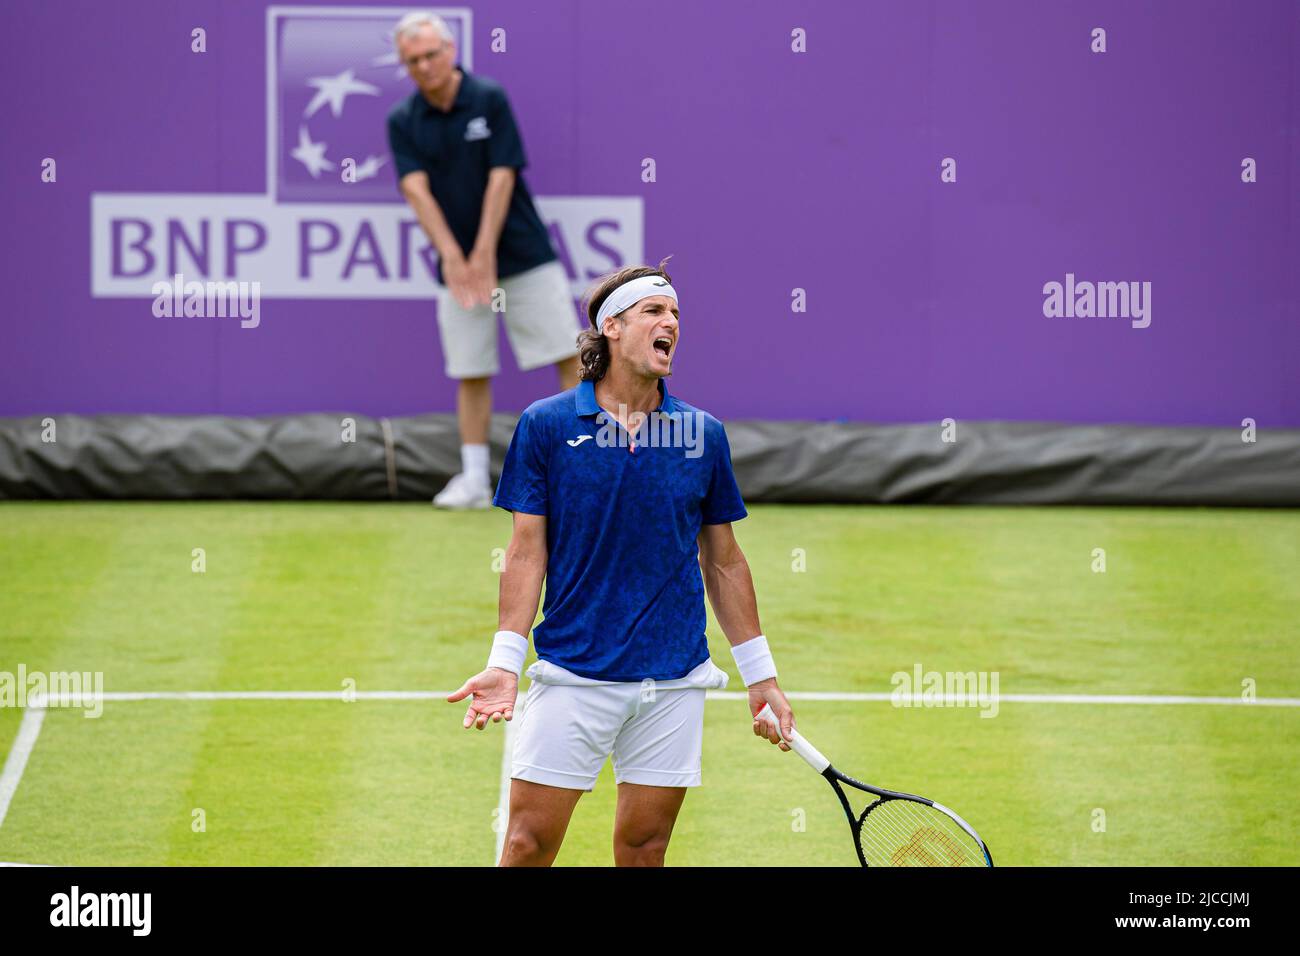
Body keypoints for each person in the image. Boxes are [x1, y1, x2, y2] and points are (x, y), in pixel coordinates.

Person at [446, 260, 797, 866]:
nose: (672, 324)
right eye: (655, 312)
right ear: (611, 327)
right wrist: (505, 661)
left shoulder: (702, 434)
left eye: (677, 314)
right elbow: (527, 550)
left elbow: (723, 561)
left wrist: (760, 676)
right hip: (574, 674)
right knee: (528, 844)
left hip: (674, 679)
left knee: (645, 848)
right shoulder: (548, 426)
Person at [387, 11, 580, 509]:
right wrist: (454, 257)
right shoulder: (403, 120)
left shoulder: (488, 98)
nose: (425, 66)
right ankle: (474, 478)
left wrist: (483, 252)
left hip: (523, 253)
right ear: (405, 67)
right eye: (413, 60)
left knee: (569, 355)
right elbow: (416, 189)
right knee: (470, 368)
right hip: (459, 268)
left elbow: (502, 175)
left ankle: (580, 466)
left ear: (450, 51)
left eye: (431, 54)